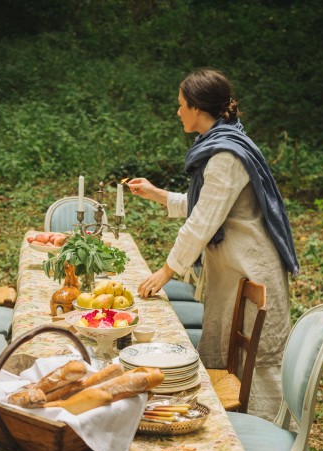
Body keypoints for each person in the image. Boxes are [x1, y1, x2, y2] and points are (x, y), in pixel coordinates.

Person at [128, 68, 299, 421]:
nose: (177, 112)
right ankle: (228, 432)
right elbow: (209, 206)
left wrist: (167, 270)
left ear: (197, 108)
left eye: (181, 105)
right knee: (225, 354)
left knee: (258, 366)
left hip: (251, 269)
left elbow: (203, 221)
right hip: (234, 269)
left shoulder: (225, 155)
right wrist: (157, 195)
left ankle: (263, 438)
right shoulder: (223, 143)